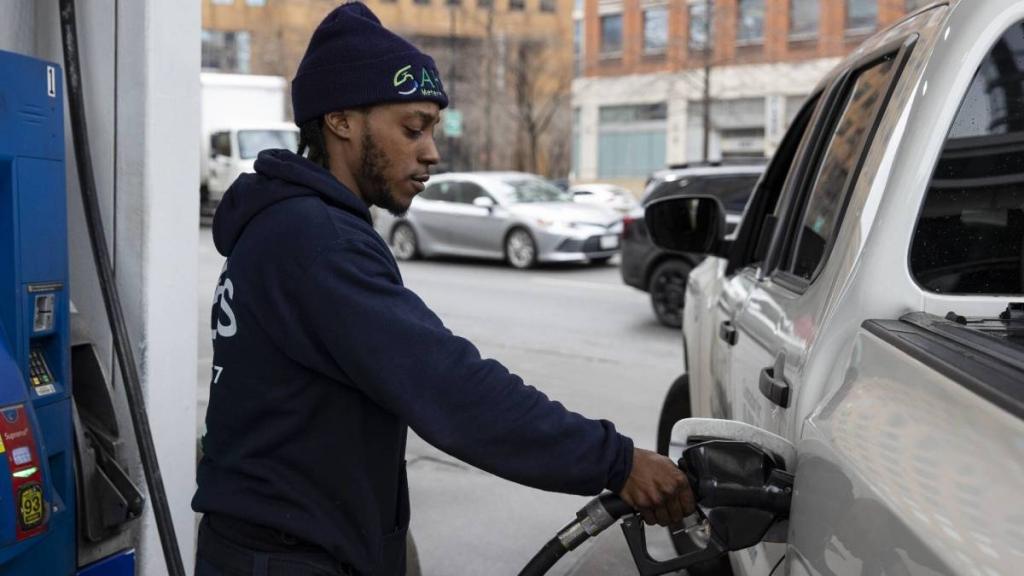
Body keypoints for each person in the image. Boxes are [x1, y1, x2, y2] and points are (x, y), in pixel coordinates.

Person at [192, 3, 693, 575]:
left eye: (432, 128)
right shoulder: (317, 240)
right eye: (413, 128)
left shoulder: (292, 224)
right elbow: (450, 387)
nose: (431, 150)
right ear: (341, 121)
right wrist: (618, 462)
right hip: (289, 558)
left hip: (295, 541)